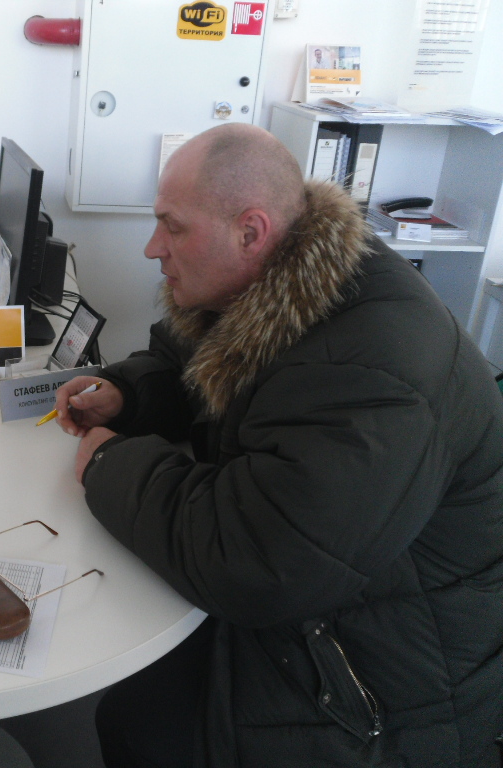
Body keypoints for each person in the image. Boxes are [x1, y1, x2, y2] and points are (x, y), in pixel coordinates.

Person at [52, 123, 503, 767]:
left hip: (389, 685)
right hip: (334, 602)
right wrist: (127, 396)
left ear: (250, 232)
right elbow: (193, 366)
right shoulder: (281, 278)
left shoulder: (373, 370)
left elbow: (254, 562)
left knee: (142, 724)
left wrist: (108, 461)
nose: (154, 248)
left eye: (172, 227)